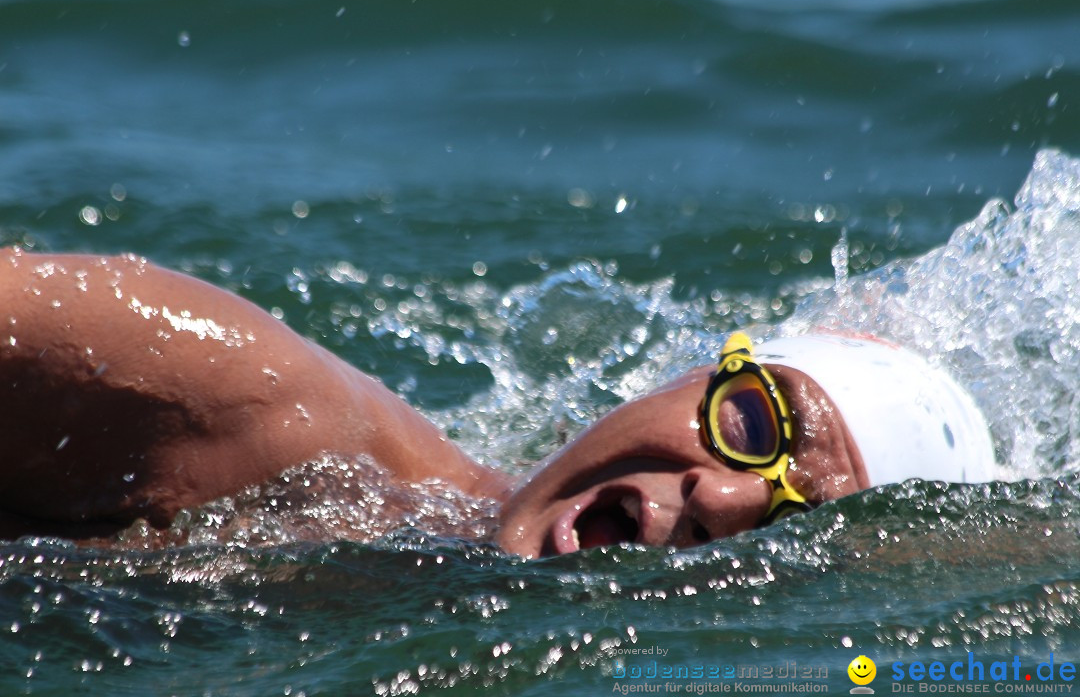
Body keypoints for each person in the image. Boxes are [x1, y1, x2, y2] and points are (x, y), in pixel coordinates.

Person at [0, 246, 997, 556]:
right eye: (752, 424)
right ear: (679, 375)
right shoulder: (254, 409)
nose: (725, 501)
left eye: (789, 524)